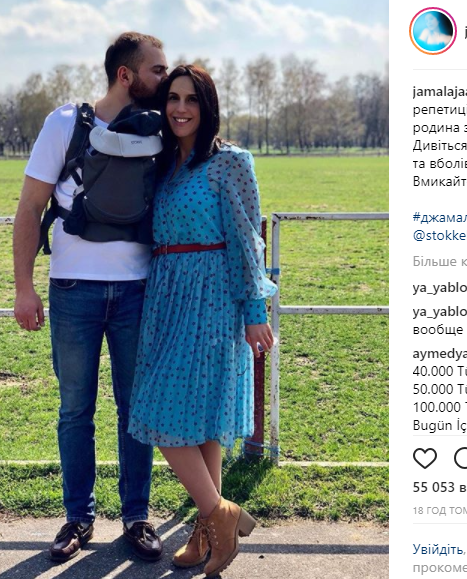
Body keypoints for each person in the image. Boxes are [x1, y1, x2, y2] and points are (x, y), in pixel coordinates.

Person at [12, 31, 169, 563]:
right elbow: (29, 208)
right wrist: (24, 288)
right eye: (156, 70)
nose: (164, 79)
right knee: (75, 410)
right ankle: (78, 517)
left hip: (138, 292)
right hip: (73, 289)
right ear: (125, 75)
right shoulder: (65, 123)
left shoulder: (159, 130)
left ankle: (136, 516)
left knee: (134, 409)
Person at [127, 65, 277, 577]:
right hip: (166, 295)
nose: (180, 108)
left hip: (212, 295)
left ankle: (219, 515)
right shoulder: (164, 163)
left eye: (191, 99)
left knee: (163, 412)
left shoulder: (230, 161)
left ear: (207, 106)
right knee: (198, 418)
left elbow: (247, 239)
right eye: (172, 98)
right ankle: (211, 527)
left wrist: (254, 311)